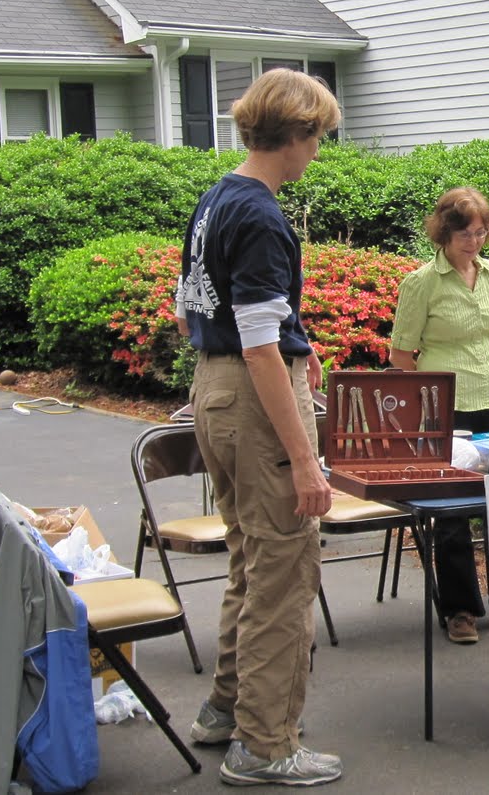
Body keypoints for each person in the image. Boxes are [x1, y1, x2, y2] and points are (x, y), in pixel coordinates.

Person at [174, 67, 342, 787]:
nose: (318, 151)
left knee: (251, 559)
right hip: (252, 396)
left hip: (213, 390)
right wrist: (304, 459)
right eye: (318, 136)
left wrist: (292, 350)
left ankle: (226, 710)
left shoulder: (217, 198)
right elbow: (259, 347)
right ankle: (266, 744)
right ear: (296, 133)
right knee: (284, 571)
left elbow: (190, 307)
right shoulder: (264, 218)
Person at [389, 186, 489, 645]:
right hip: (445, 404)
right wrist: (424, 407)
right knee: (453, 509)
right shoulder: (421, 282)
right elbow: (401, 355)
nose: (474, 242)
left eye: (481, 233)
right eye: (465, 234)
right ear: (444, 232)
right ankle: (460, 609)